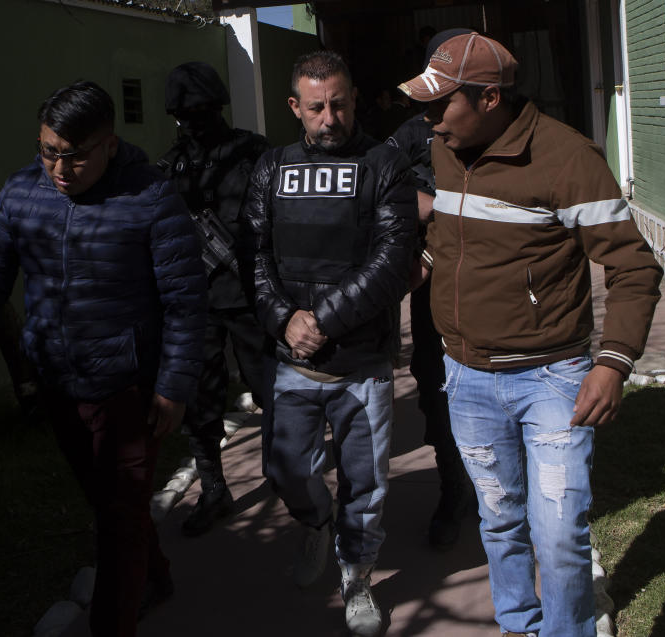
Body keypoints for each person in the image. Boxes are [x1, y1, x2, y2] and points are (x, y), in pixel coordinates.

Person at [400, 33, 663, 637]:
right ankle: (519, 623)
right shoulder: (447, 148)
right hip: (465, 376)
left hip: (551, 380)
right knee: (498, 520)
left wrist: (612, 365)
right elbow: (456, 240)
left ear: (489, 98)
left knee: (561, 535)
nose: (430, 119)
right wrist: (424, 268)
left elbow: (633, 266)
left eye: (442, 105)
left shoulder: (567, 159)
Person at [0, 81, 207, 637]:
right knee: (113, 505)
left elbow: (186, 302)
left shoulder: (151, 197)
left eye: (75, 154)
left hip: (129, 390)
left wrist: (173, 386)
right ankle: (157, 578)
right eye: (48, 151)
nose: (60, 168)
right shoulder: (22, 192)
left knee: (116, 522)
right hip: (59, 384)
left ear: (110, 145)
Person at [244, 51, 416, 637]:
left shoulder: (384, 163)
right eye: (316, 107)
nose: (329, 117)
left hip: (362, 363)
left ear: (354, 99)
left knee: (365, 485)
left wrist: (320, 318)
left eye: (339, 104)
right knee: (286, 469)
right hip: (295, 358)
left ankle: (358, 577)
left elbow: (392, 261)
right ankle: (316, 523)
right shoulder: (271, 168)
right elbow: (257, 257)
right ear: (295, 107)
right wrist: (283, 318)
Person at [157, 61, 271, 537]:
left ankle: (283, 470)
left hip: (249, 295)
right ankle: (213, 489)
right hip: (197, 302)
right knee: (201, 400)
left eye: (203, 110)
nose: (196, 120)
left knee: (271, 390)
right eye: (187, 113)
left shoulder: (254, 153)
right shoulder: (171, 165)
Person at [386, 26, 478, 552]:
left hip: (492, 284)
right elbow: (374, 180)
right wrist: (422, 209)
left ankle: (503, 497)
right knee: (435, 388)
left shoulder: (501, 132)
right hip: (432, 288)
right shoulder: (413, 133)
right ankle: (452, 488)